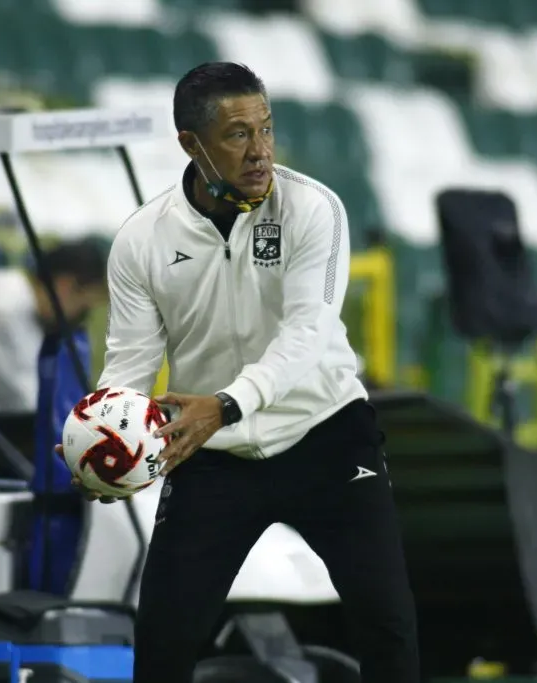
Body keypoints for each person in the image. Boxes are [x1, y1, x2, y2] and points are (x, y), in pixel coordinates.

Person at [59, 62, 421, 683]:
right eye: (237, 135)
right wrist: (104, 447)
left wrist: (225, 404)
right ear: (191, 145)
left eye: (266, 129)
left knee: (388, 627)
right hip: (212, 452)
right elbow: (130, 367)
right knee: (163, 643)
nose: (261, 152)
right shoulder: (141, 241)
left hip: (326, 433)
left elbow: (307, 335)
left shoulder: (314, 209)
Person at [0, 238, 107, 413]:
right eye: (84, 307)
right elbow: (31, 404)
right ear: (65, 286)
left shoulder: (9, 284)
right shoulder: (6, 312)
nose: (80, 318)